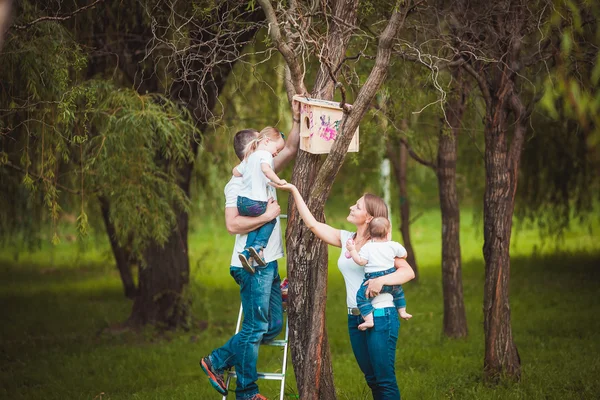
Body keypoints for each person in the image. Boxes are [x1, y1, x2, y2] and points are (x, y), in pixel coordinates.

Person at [274, 182, 415, 400]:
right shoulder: (347, 239)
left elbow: (407, 272)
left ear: (368, 217)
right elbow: (312, 224)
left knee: (384, 380)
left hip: (381, 316)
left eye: (357, 206)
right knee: (372, 379)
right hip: (355, 319)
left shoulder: (381, 245)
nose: (351, 207)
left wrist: (382, 281)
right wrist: (293, 190)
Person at [199, 102, 301, 400]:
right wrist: (267, 217)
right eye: (261, 143)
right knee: (256, 327)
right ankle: (247, 393)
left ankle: (216, 360)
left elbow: (291, 148)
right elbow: (232, 224)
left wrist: (297, 117)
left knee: (269, 326)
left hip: (268, 264)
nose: (268, 151)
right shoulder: (238, 182)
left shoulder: (264, 169)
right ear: (251, 149)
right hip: (250, 265)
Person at [232, 127, 288, 273]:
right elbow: (266, 169)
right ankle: (258, 247)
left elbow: (235, 172)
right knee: (270, 219)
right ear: (267, 141)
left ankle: (246, 253)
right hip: (255, 202)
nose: (276, 153)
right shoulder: (264, 154)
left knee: (255, 224)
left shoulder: (250, 157)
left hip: (242, 202)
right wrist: (279, 181)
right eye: (277, 149)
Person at [347, 216, 413, 331]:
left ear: (370, 235)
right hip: (390, 280)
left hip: (372, 281)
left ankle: (369, 320)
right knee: (399, 293)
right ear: (388, 233)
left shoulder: (367, 247)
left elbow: (360, 261)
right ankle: (402, 311)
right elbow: (404, 254)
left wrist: (352, 250)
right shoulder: (393, 245)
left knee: (361, 297)